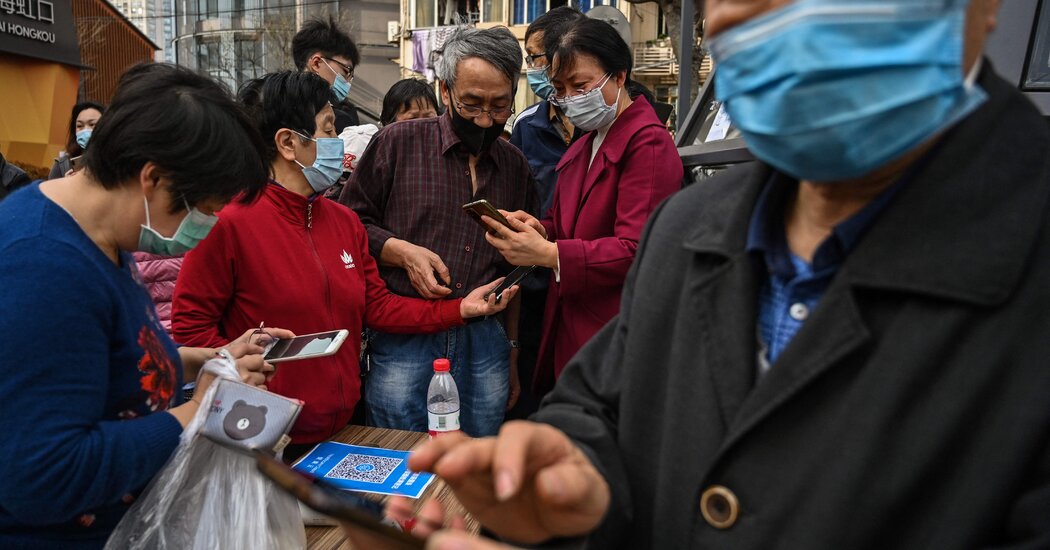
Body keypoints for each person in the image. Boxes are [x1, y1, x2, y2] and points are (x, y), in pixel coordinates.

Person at [353, 0, 1050, 548]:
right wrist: (576, 491)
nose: (757, 21)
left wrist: (555, 257)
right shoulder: (692, 227)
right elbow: (600, 410)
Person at [0, 63, 285, 548]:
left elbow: (101, 360)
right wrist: (200, 409)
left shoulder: (105, 236)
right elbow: (44, 474)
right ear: (153, 178)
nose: (206, 227)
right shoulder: (41, 266)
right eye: (204, 210)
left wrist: (208, 359)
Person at [171, 71, 516, 460]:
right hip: (259, 439)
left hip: (342, 430)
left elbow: (377, 307)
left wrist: (460, 309)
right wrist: (241, 368)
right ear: (288, 142)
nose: (338, 140)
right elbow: (190, 331)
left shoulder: (343, 221)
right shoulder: (227, 223)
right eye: (328, 128)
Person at [340, 26, 539, 437]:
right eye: (472, 104)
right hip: (404, 337)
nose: (484, 119)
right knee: (398, 454)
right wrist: (401, 252)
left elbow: (518, 269)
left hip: (486, 340)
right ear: (446, 91)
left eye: (500, 106)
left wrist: (512, 350)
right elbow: (348, 225)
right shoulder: (397, 143)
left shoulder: (515, 165)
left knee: (477, 457)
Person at [486, 17, 682, 394]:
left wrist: (550, 253)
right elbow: (566, 225)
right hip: (572, 324)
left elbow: (637, 249)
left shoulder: (648, 143)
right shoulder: (586, 142)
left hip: (613, 331)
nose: (571, 98)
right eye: (560, 88)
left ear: (619, 76)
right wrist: (539, 231)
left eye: (581, 85)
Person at [293, 17, 361, 131]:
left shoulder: (347, 111)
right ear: (316, 63)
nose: (348, 82)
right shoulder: (341, 118)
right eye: (346, 71)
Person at [48, 101, 104, 180]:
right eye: (80, 126)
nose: (85, 130)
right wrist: (65, 184)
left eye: (92, 124)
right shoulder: (63, 165)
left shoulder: (118, 162)